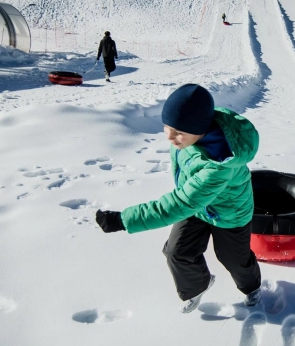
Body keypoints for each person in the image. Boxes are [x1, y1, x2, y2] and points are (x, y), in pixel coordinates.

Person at [96, 84, 262, 313]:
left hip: (228, 213)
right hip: (197, 206)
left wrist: (123, 220)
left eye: (179, 131)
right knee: (177, 251)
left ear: (201, 129)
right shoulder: (188, 137)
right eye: (167, 127)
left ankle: (251, 287)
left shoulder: (218, 165)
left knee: (233, 259)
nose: (170, 137)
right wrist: (180, 133)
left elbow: (179, 204)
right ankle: (197, 285)